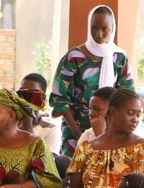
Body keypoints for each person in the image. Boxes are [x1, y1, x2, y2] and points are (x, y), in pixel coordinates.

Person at [49, 4, 133, 154]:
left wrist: (112, 133)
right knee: (72, 171)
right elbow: (60, 99)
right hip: (76, 131)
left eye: (104, 29)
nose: (99, 34)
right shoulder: (74, 57)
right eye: (94, 28)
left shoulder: (119, 58)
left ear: (112, 28)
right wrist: (79, 134)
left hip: (112, 132)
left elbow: (127, 97)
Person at [18, 72, 63, 156]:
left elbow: (46, 164)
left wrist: (27, 124)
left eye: (33, 94)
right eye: (22, 93)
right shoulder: (10, 126)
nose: (27, 98)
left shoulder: (50, 130)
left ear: (43, 100)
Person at [75, 85, 113, 149]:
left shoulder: (125, 137)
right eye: (90, 108)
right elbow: (78, 158)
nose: (91, 114)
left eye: (97, 109)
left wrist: (100, 135)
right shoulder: (87, 135)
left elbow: (111, 158)